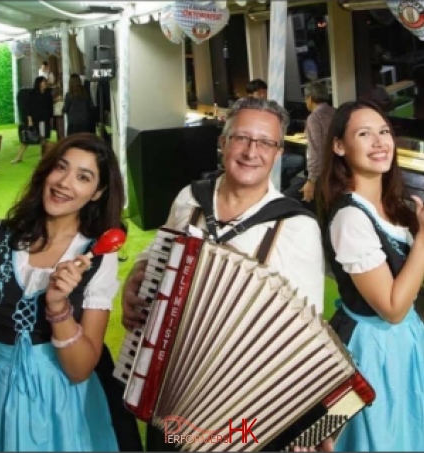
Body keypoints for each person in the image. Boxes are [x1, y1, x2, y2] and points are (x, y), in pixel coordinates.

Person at [121, 97, 330, 452]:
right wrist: (136, 276)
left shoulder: (295, 226)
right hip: (173, 390)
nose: (252, 151)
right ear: (223, 142)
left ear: (278, 152)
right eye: (242, 138)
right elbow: (155, 253)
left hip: (244, 402)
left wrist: (303, 419)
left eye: (265, 142)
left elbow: (306, 334)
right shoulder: (190, 198)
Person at [0, 133, 138, 451]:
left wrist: (58, 305)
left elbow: (79, 369)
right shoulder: (0, 234)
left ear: (97, 193)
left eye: (83, 177)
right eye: (61, 167)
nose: (64, 183)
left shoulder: (99, 257)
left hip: (58, 404)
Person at [318, 100, 424, 451]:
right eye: (364, 134)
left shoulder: (394, 205)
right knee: (377, 438)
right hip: (369, 351)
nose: (379, 142)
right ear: (339, 146)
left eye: (384, 132)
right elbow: (392, 307)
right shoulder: (350, 218)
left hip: (404, 341)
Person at [284, 81, 336, 211]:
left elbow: (315, 151)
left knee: (287, 199)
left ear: (310, 98)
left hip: (322, 174)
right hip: (337, 170)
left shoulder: (314, 118)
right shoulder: (336, 112)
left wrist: (311, 180)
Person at [12, 76, 54, 164]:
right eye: (43, 82)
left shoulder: (47, 94)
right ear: (39, 83)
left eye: (45, 82)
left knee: (43, 139)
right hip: (34, 120)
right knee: (27, 139)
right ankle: (19, 157)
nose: (45, 83)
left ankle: (42, 157)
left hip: (44, 120)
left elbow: (50, 108)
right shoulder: (32, 94)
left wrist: (50, 119)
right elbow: (28, 108)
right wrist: (30, 120)